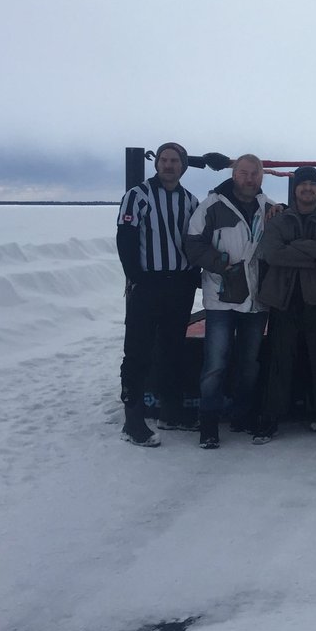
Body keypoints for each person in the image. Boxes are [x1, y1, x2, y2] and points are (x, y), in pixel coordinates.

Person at [185, 154, 275, 449]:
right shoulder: (212, 206)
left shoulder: (270, 208)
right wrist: (221, 264)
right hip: (222, 297)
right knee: (215, 363)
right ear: (234, 174)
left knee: (249, 363)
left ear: (262, 176)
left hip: (256, 298)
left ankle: (241, 416)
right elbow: (193, 243)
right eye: (244, 173)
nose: (249, 179)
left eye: (255, 174)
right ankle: (208, 423)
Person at [115, 142, 200, 447]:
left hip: (179, 285)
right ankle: (133, 420)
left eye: (174, 160)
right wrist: (136, 277)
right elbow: (125, 238)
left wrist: (194, 275)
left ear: (183, 166)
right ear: (156, 164)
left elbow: (194, 240)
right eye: (163, 159)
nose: (168, 165)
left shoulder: (190, 200)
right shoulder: (138, 195)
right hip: (148, 284)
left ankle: (171, 411)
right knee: (138, 350)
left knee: (172, 347)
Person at [257, 166, 316, 440]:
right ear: (295, 188)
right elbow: (272, 253)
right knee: (280, 359)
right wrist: (313, 254)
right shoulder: (278, 219)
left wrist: (293, 247)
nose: (307, 188)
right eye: (302, 184)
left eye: (313, 184)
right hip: (284, 297)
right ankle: (271, 416)